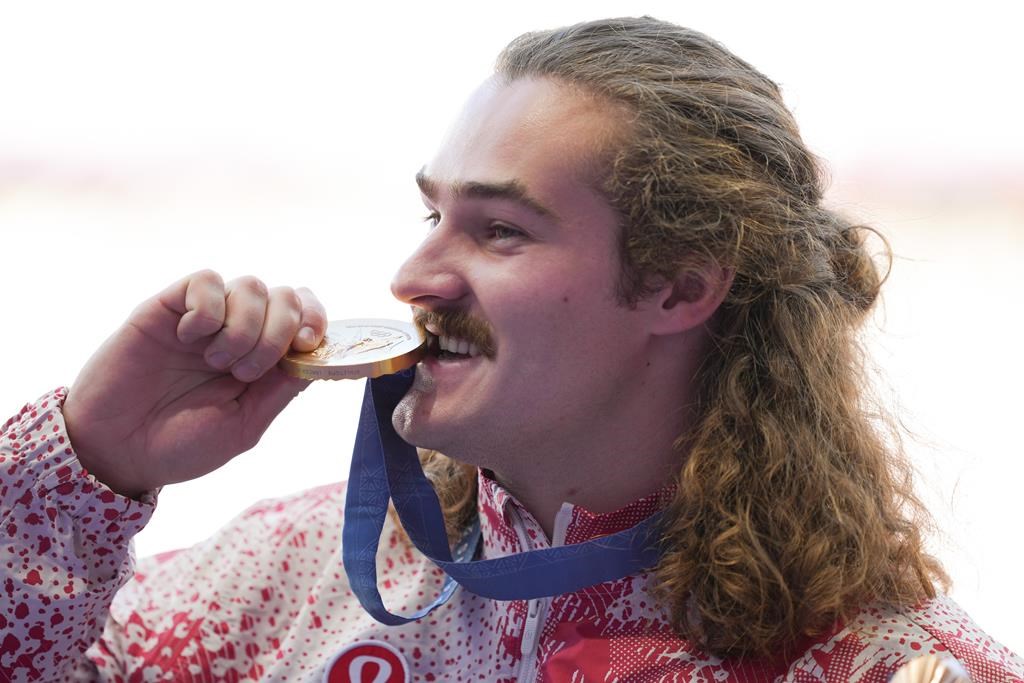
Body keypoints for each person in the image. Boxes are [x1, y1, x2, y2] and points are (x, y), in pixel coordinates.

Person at [1, 16, 1021, 683]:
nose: (415, 272)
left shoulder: (887, 667)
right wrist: (89, 463)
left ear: (678, 286)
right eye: (432, 211)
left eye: (499, 230)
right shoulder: (291, 576)